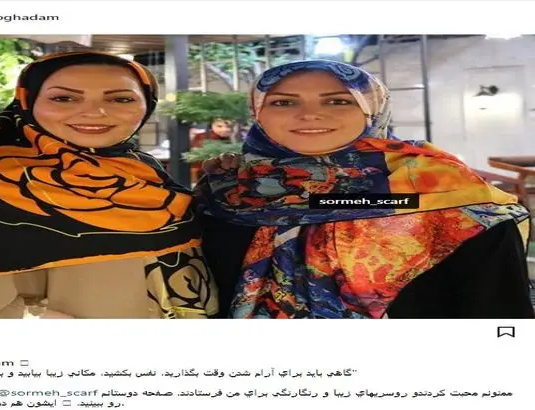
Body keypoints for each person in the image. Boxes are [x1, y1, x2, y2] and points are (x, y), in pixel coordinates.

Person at [0, 51, 218, 319]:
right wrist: (33, 320)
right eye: (64, 99)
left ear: (147, 105)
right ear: (28, 101)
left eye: (120, 99)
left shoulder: (145, 170)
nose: (95, 112)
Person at [196, 59, 534, 319]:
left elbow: (501, 314)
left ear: (373, 109)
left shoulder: (452, 200)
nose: (309, 115)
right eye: (284, 103)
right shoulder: (226, 193)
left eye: (337, 101)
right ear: (258, 113)